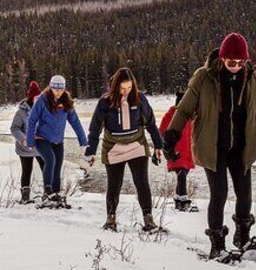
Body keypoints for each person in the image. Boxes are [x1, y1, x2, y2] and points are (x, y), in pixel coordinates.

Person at [164, 33, 256, 261]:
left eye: (242, 62)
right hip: (213, 147)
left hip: (241, 147)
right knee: (219, 194)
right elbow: (184, 110)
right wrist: (171, 137)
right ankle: (217, 245)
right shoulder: (204, 77)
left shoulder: (251, 77)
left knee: (245, 194)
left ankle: (243, 238)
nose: (237, 67)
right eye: (232, 62)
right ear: (222, 59)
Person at [84, 68, 164, 232]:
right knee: (114, 184)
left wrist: (158, 145)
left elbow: (150, 123)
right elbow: (95, 129)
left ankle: (148, 219)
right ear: (115, 87)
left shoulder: (139, 98)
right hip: (113, 148)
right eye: (122, 88)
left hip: (137, 145)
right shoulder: (104, 102)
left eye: (129, 87)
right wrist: (90, 151)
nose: (126, 91)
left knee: (142, 182)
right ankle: (111, 219)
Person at [26, 75, 89, 207]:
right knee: (50, 160)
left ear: (64, 89)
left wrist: (83, 143)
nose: (58, 92)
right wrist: (30, 141)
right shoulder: (43, 100)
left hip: (57, 140)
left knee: (58, 165)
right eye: (55, 89)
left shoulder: (66, 102)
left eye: (61, 89)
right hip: (41, 138)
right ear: (51, 87)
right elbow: (32, 120)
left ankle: (55, 194)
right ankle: (47, 191)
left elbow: (75, 123)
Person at [158, 91, 196, 212]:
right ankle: (183, 201)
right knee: (182, 174)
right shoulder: (171, 115)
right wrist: (166, 146)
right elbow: (162, 131)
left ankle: (179, 199)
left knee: (183, 174)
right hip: (176, 150)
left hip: (188, 150)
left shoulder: (190, 115)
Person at [10, 80, 44, 204]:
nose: (38, 99)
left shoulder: (43, 109)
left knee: (46, 169)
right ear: (30, 97)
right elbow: (14, 128)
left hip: (40, 146)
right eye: (36, 97)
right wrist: (23, 139)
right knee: (26, 171)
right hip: (24, 148)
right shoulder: (21, 112)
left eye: (39, 97)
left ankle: (48, 194)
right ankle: (25, 197)